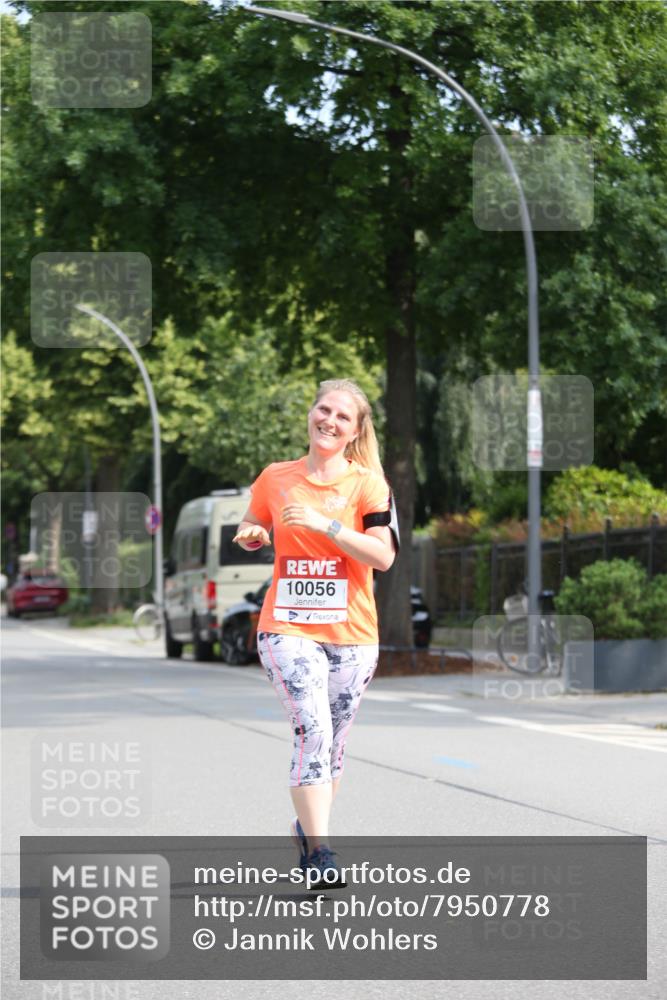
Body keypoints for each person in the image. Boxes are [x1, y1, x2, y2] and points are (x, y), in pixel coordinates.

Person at [233, 378, 398, 887]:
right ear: (311, 414)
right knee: (314, 730)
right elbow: (251, 526)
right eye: (323, 409)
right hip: (286, 626)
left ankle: (306, 831)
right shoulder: (275, 477)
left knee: (334, 746)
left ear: (355, 431)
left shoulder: (369, 484)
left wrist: (327, 526)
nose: (329, 420)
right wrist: (253, 535)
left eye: (342, 416)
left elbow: (383, 556)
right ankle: (323, 851)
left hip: (352, 632)